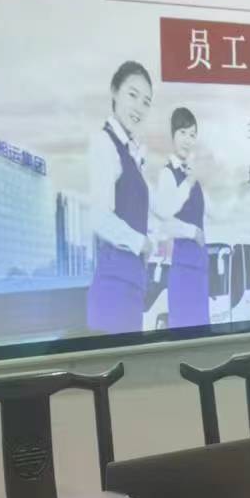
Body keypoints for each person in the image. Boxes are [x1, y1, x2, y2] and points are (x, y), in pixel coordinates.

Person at [85, 61, 155, 334]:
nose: (139, 107)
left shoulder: (131, 152)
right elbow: (99, 217)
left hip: (129, 285)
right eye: (132, 95)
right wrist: (141, 243)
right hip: (114, 289)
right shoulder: (104, 143)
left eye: (146, 102)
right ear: (114, 91)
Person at [150, 107, 207, 329]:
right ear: (172, 135)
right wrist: (192, 232)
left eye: (192, 134)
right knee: (186, 330)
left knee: (202, 332)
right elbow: (163, 218)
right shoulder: (168, 174)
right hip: (184, 266)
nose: (187, 140)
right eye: (183, 132)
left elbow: (213, 211)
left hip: (199, 266)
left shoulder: (191, 175)